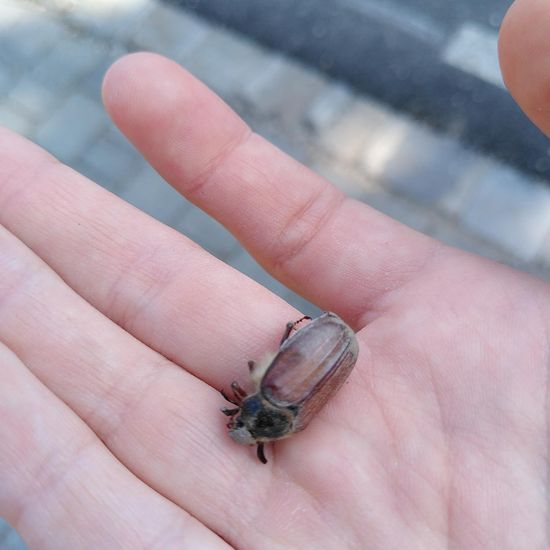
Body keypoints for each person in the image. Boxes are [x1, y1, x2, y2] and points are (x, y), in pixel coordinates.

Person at [0, 0, 547, 547]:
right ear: (260, 420)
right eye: (244, 421)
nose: (237, 417)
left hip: (328, 350)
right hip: (326, 349)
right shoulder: (278, 404)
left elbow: (265, 380)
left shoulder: (286, 409)